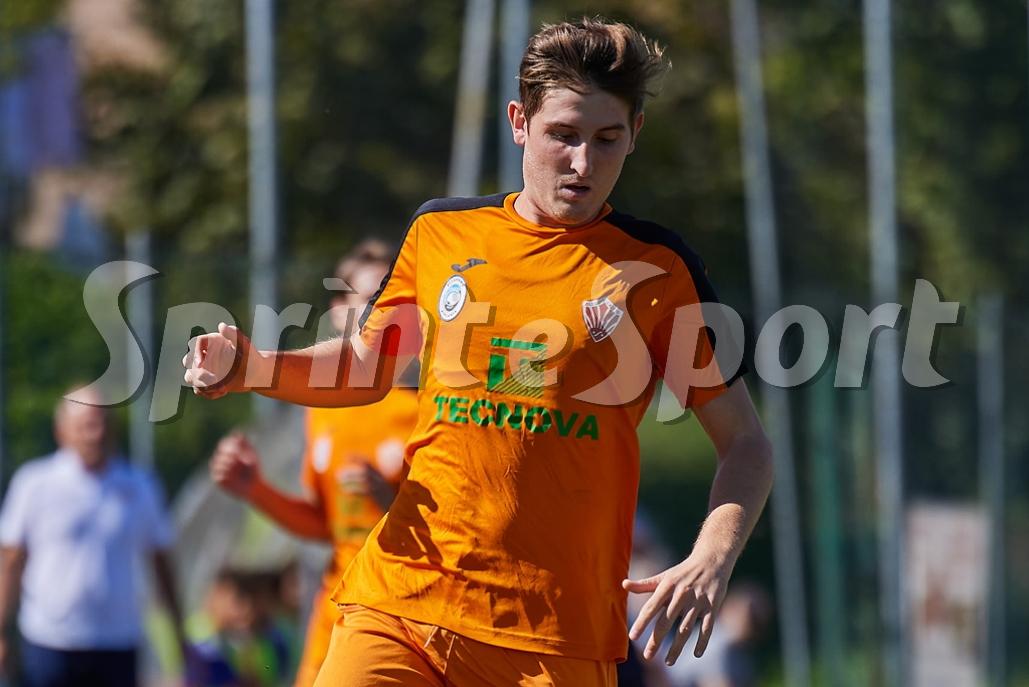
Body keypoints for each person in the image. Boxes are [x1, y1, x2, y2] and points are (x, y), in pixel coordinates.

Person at [184, 17, 774, 686]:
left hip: (552, 635)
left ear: (635, 132)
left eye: (606, 139)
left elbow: (746, 444)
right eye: (563, 135)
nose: (583, 163)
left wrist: (712, 556)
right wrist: (253, 367)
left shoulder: (658, 269)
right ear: (519, 122)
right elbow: (365, 367)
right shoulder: (442, 231)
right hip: (402, 599)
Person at [207, 240, 419, 687]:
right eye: (371, 299)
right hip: (340, 606)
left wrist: (391, 502)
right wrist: (255, 490)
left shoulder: (424, 405)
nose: (384, 312)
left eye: (394, 300)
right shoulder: (321, 411)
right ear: (338, 311)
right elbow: (325, 526)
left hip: (408, 612)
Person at [0, 390, 190, 687]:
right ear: (62, 431)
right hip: (50, 639)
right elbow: (11, 561)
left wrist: (179, 633)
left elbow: (160, 563)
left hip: (118, 641)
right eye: (86, 425)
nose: (96, 434)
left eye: (103, 424)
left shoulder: (139, 485)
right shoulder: (35, 483)